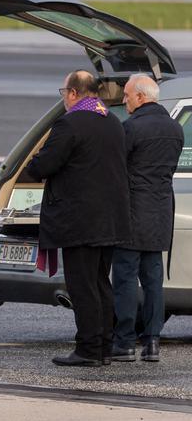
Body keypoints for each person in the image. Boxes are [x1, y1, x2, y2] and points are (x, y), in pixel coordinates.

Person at [26, 70, 130, 367]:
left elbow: (44, 164)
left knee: (82, 285)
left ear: (73, 93)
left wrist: (35, 164)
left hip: (80, 219)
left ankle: (87, 349)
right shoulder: (112, 121)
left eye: (64, 93)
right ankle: (104, 349)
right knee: (100, 283)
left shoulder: (70, 123)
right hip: (110, 218)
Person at [110, 74, 183, 363]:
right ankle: (152, 341)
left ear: (141, 97)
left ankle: (125, 341)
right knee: (154, 280)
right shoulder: (176, 129)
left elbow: (117, 171)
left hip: (131, 212)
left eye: (127, 95)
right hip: (161, 210)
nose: (124, 99)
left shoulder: (131, 129)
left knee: (125, 279)